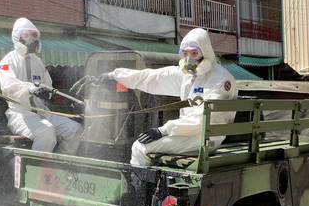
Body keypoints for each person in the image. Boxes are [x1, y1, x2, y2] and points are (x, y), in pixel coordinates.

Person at [101, 27, 236, 167]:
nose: (189, 60)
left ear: (205, 52)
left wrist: (163, 130)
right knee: (145, 145)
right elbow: (152, 77)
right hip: (189, 135)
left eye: (194, 53)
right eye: (185, 53)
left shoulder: (220, 79)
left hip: (204, 139)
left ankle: (139, 188)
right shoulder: (189, 76)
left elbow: (201, 120)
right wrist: (115, 76)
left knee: (139, 147)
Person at [0, 17, 82, 153]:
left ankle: (60, 166)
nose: (31, 39)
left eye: (34, 35)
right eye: (26, 35)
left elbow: (47, 84)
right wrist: (30, 89)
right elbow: (8, 86)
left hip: (43, 112)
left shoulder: (38, 62)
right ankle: (39, 171)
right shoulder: (7, 62)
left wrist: (46, 92)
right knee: (46, 132)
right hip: (20, 114)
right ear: (16, 37)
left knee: (74, 129)